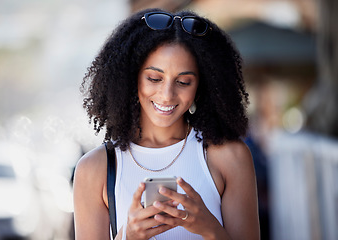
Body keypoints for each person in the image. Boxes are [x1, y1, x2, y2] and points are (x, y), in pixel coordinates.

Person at [74, 8, 260, 240]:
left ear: (202, 87)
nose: (167, 95)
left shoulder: (230, 158)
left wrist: (209, 228)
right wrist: (127, 236)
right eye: (154, 78)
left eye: (183, 81)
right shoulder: (95, 169)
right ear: (131, 78)